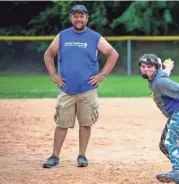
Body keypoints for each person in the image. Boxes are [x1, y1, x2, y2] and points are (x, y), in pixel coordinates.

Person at [43, 4, 119, 168]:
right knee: (62, 124)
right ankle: (55, 156)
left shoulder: (94, 37)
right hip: (66, 89)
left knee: (85, 123)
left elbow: (113, 54)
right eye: (75, 16)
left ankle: (82, 155)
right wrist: (53, 75)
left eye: (81, 16)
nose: (78, 19)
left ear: (86, 18)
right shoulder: (62, 36)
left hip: (88, 89)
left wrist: (102, 75)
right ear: (71, 18)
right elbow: (49, 54)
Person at [138, 53, 179, 184]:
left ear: (156, 67)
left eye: (150, 66)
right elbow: (166, 72)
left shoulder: (160, 81)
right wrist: (169, 66)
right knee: (164, 145)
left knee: (170, 141)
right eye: (143, 66)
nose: (146, 69)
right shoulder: (158, 76)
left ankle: (177, 172)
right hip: (176, 114)